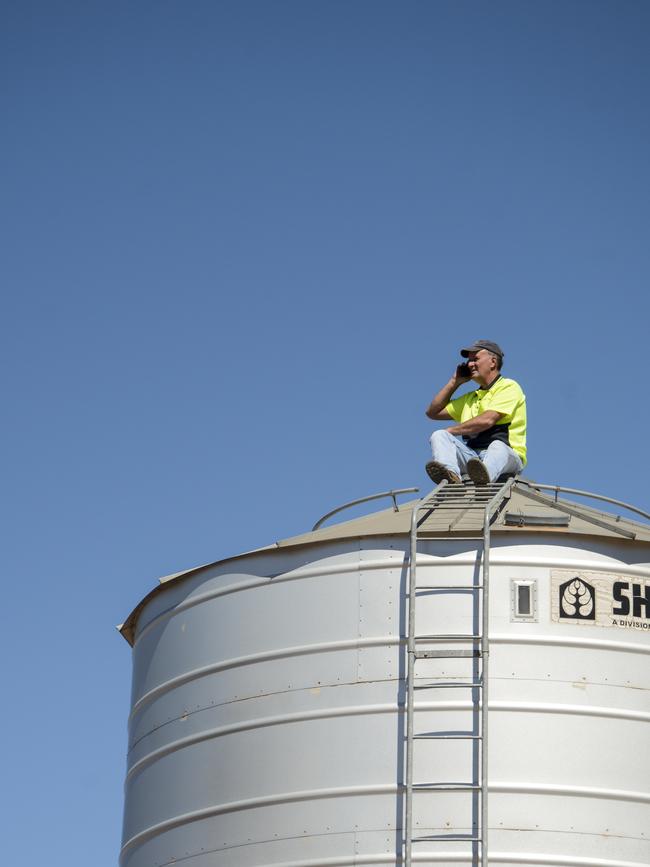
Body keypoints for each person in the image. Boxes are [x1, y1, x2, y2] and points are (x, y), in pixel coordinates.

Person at [425, 340, 527, 486]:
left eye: (475, 359)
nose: (470, 364)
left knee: (497, 446)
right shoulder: (471, 397)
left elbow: (487, 420)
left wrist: (451, 430)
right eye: (469, 360)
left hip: (507, 457)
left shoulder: (508, 387)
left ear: (493, 362)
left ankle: (484, 478)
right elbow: (433, 412)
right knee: (439, 435)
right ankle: (451, 479)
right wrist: (454, 382)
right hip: (474, 460)